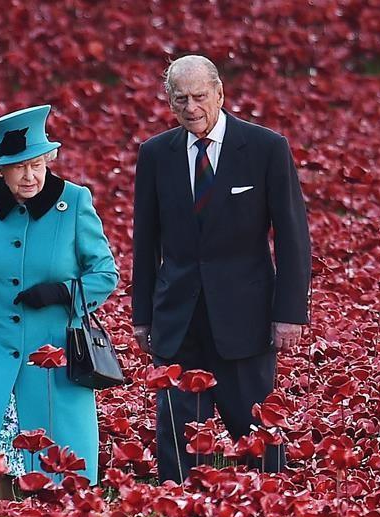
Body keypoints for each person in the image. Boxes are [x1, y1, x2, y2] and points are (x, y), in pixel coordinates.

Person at [132, 55, 311, 482]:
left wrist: (289, 313)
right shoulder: (156, 154)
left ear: (220, 93)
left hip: (245, 319)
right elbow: (145, 241)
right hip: (178, 319)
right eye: (180, 99)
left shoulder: (266, 148)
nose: (191, 108)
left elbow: (292, 236)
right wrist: (142, 316)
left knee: (256, 431)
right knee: (175, 434)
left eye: (199, 97)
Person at [0, 104, 118, 498]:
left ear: (49, 160)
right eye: (19, 166)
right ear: (1, 168)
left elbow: (106, 273)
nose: (30, 175)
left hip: (54, 353)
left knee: (61, 472)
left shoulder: (74, 202)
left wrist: (63, 292)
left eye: (37, 164)